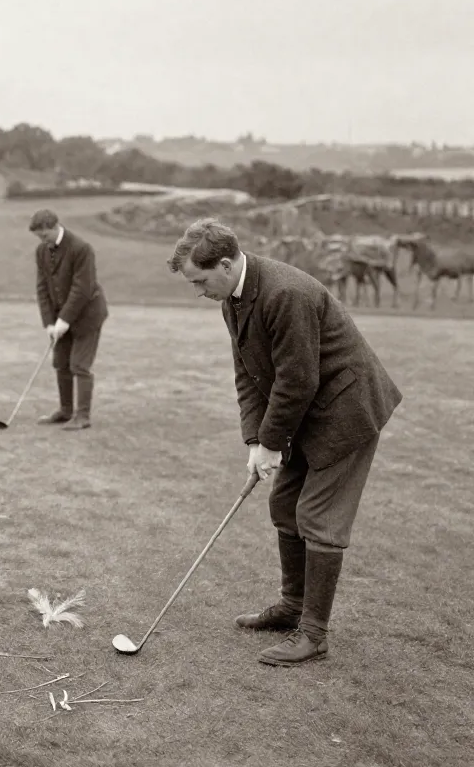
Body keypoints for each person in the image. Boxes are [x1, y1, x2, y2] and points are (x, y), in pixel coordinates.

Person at [167, 218, 402, 666]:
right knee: (284, 506)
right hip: (306, 409)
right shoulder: (231, 300)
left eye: (199, 280)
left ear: (224, 262)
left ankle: (313, 634)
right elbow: (249, 375)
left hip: (346, 409)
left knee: (318, 515)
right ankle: (292, 608)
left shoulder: (284, 293)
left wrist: (273, 442)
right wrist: (256, 440)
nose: (198, 291)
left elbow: (297, 379)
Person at [30, 209, 109, 430]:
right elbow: (42, 288)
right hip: (60, 317)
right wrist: (49, 323)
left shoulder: (81, 249)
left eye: (44, 236)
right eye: (38, 238)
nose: (42, 241)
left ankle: (82, 416)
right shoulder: (41, 251)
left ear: (55, 227)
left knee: (79, 365)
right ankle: (66, 411)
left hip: (88, 315)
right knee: (61, 363)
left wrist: (63, 321)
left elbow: (82, 289)